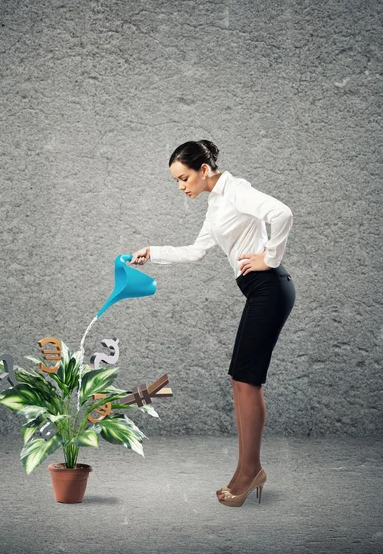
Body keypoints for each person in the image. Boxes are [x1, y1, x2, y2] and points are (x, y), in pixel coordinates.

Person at [130, 140, 296, 507]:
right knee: (240, 379)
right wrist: (152, 252)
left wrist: (270, 257)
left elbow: (282, 213)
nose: (181, 187)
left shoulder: (235, 190)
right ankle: (247, 470)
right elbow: (196, 251)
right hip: (259, 291)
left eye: (184, 178)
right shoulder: (216, 202)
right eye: (176, 181)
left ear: (204, 170)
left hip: (269, 287)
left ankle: (250, 471)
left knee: (247, 380)